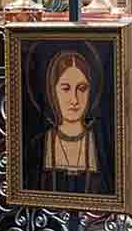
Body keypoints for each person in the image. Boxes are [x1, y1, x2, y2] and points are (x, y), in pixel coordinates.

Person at [24, 49, 113, 195]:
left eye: (82, 89)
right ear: (52, 92)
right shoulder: (39, 144)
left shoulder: (101, 144)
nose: (74, 100)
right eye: (65, 89)